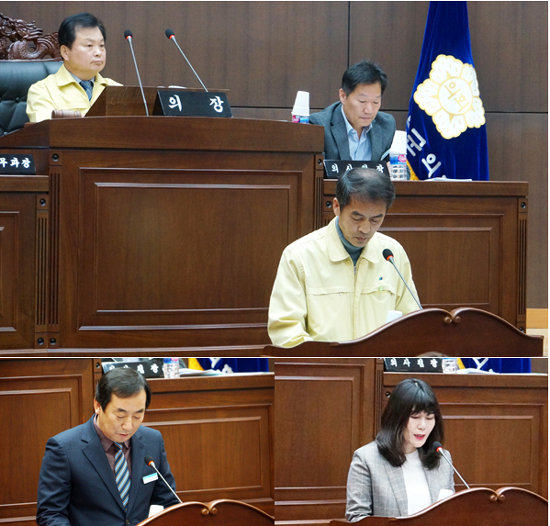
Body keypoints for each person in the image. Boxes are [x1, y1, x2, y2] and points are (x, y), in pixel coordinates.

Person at [267, 167, 419, 347]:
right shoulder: (299, 256)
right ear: (337, 207)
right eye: (357, 218)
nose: (365, 229)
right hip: (325, 363)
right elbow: (286, 330)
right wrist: (329, 359)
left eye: (375, 220)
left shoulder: (392, 254)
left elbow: (412, 323)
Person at [36, 368, 180, 526]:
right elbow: (51, 514)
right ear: (98, 405)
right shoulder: (64, 448)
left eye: (137, 416)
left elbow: (169, 502)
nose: (128, 426)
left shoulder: (152, 441)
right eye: (120, 416)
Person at [346, 378, 454, 520]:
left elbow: (452, 515)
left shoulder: (443, 459)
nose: (423, 426)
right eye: (415, 417)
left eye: (429, 418)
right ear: (397, 418)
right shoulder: (367, 459)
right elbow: (356, 518)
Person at [26, 12, 121, 123]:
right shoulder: (43, 91)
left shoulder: (117, 90)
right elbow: (47, 130)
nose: (98, 53)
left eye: (101, 46)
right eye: (89, 45)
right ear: (65, 52)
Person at [309, 60, 395, 161]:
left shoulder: (386, 125)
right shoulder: (319, 126)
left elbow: (397, 164)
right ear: (343, 96)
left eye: (375, 102)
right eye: (362, 101)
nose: (369, 110)